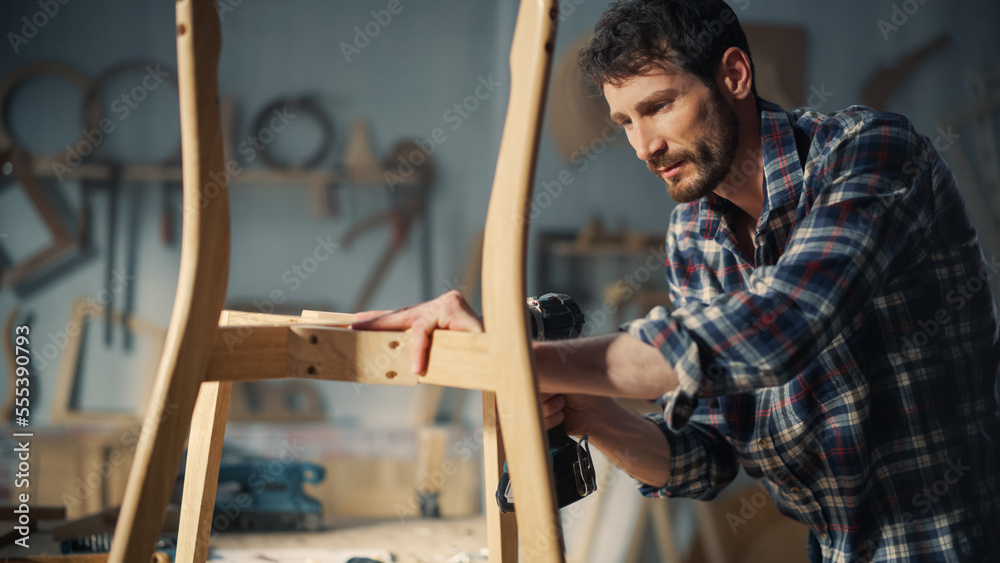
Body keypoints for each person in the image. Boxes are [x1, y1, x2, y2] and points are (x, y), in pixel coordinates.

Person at [352, 0, 1000, 560]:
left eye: (658, 106)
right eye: (624, 122)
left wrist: (512, 360)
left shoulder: (871, 154)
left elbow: (777, 330)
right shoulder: (693, 235)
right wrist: (591, 414)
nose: (643, 146)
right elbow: (705, 455)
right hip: (832, 547)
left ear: (735, 75)